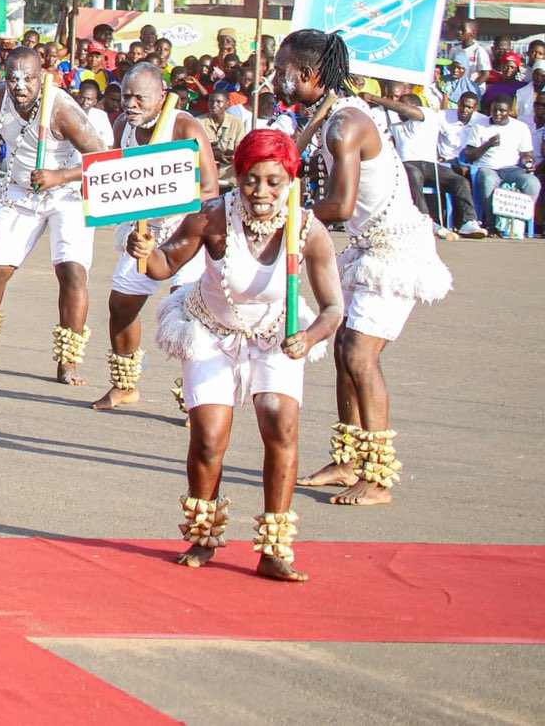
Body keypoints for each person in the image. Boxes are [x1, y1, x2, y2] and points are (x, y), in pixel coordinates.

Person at [136, 128, 343, 582]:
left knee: (279, 423)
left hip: (278, 332)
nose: (261, 192)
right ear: (238, 177)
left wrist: (308, 337)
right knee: (209, 436)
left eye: (273, 181)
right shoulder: (211, 217)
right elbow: (163, 266)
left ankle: (274, 549)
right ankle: (202, 535)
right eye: (251, 179)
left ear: (289, 180)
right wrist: (145, 252)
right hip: (210, 326)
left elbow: (333, 308)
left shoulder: (307, 229)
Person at [276, 30, 452, 507]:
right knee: (343, 352)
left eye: (281, 70)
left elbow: (339, 203)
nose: (275, 77)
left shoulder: (344, 124)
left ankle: (377, 476)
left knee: (358, 354)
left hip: (395, 251)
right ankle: (348, 459)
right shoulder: (326, 117)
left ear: (308, 75)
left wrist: (283, 216)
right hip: (367, 246)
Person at [0, 46, 109, 385]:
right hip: (19, 191)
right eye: (12, 79)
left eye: (28, 79)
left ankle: (68, 359)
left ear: (42, 77)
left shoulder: (62, 109)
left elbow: (102, 158)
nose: (20, 86)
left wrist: (58, 177)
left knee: (72, 272)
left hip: (66, 194)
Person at [93, 62, 222, 411]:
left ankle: (196, 401)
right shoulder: (123, 124)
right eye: (126, 96)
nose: (130, 104)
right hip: (142, 234)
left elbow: (210, 189)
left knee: (190, 317)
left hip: (186, 233)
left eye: (140, 98)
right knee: (120, 306)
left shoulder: (184, 125)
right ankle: (125, 384)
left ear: (162, 96)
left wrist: (162, 190)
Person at [374, 78, 481, 238]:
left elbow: (408, 111)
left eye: (403, 107)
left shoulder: (429, 114)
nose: (399, 111)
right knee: (413, 176)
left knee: (460, 181)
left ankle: (468, 222)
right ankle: (425, 221)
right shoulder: (396, 126)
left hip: (431, 166)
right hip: (408, 165)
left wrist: (373, 97)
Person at [461, 95, 537, 234]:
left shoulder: (520, 127)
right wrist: (488, 145)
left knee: (532, 182)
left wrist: (527, 163)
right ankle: (491, 224)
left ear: (509, 111)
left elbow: (527, 154)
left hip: (511, 168)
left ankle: (520, 223)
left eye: (502, 111)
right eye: (494, 110)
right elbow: (468, 156)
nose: (497, 114)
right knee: (488, 180)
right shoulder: (479, 125)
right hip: (487, 167)